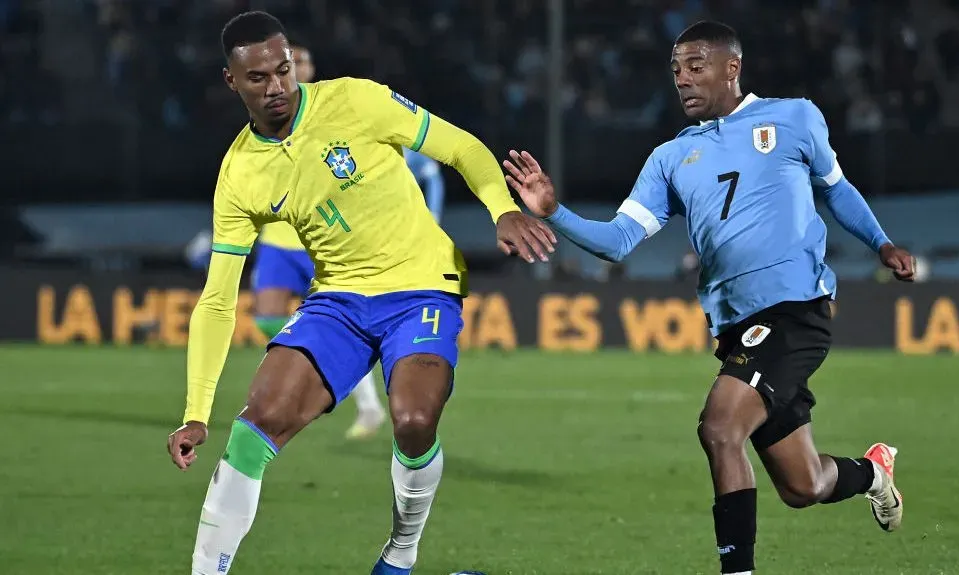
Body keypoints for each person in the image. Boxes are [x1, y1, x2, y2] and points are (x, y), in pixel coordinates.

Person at [503, 21, 914, 575]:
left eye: (696, 66)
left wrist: (881, 242)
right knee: (803, 484)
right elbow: (619, 240)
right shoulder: (670, 159)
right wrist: (553, 211)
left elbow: (836, 189)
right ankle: (873, 473)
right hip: (736, 330)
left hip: (794, 311)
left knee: (719, 427)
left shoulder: (795, 118)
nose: (683, 79)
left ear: (732, 67)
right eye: (676, 70)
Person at [166, 11, 555, 575]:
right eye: (259, 79)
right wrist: (195, 412)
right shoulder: (240, 173)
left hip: (420, 285)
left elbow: (462, 147)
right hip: (338, 301)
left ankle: (400, 552)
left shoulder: (355, 100)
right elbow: (218, 298)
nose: (277, 87)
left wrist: (502, 210)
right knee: (255, 425)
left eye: (284, 71)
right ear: (232, 81)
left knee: (415, 418)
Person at [245, 38, 448, 441]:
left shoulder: (337, 113)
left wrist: (431, 219)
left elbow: (428, 170)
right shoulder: (266, 118)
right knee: (266, 314)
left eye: (295, 63)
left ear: (307, 69)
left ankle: (355, 392)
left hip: (329, 242)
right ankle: (336, 381)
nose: (288, 72)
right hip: (277, 239)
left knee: (343, 324)